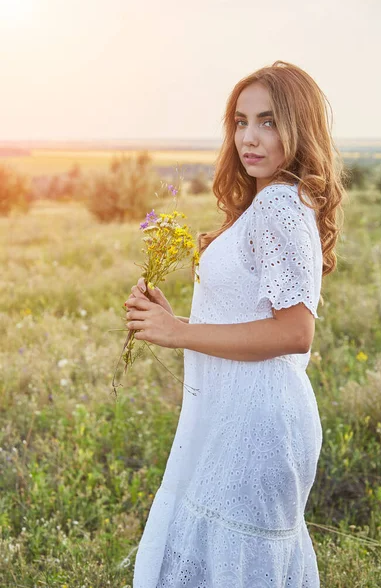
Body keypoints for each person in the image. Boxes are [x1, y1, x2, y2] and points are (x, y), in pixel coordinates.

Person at [125, 60, 346, 588]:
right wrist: (170, 317)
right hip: (235, 413)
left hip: (258, 423)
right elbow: (247, 311)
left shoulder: (278, 207)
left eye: (269, 121)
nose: (250, 137)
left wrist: (177, 331)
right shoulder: (269, 201)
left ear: (300, 126)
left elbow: (295, 332)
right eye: (241, 121)